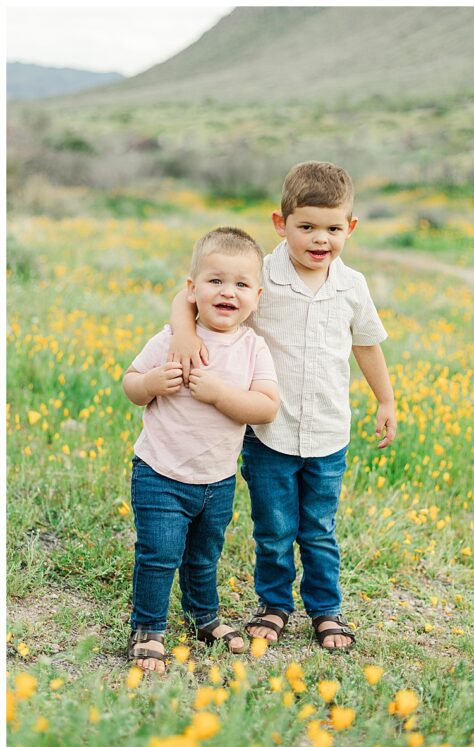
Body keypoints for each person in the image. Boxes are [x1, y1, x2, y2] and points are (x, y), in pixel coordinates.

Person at [169, 161, 397, 652]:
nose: (321, 240)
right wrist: (185, 335)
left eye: (334, 229)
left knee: (318, 530)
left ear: (350, 228)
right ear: (281, 224)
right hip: (269, 432)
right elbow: (188, 296)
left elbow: (367, 345)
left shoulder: (351, 286)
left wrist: (386, 400)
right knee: (273, 530)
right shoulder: (262, 275)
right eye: (307, 227)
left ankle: (325, 610)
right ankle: (274, 606)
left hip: (328, 433)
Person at [124, 227, 280, 674]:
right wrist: (150, 384)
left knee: (204, 554)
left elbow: (266, 407)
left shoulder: (254, 348)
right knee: (159, 553)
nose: (227, 291)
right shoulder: (172, 338)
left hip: (217, 479)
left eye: (241, 284)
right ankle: (148, 628)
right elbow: (131, 382)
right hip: (160, 472)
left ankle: (204, 617)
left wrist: (218, 394)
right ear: (192, 290)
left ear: (257, 296)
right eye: (215, 280)